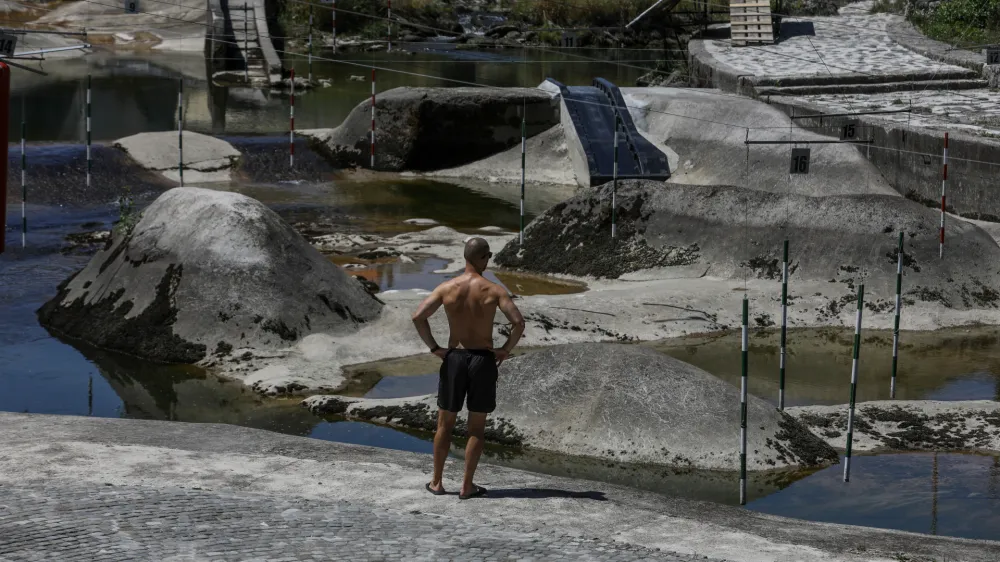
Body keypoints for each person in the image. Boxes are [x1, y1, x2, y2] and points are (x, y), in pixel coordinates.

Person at [411, 237, 525, 500]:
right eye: (488, 256)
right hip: (482, 360)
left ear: (465, 258)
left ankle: (437, 482)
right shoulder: (494, 290)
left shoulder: (447, 287)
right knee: (476, 428)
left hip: (455, 359)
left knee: (444, 424)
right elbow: (518, 323)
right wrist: (505, 350)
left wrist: (435, 348)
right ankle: (467, 486)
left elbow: (418, 317)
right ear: (483, 257)